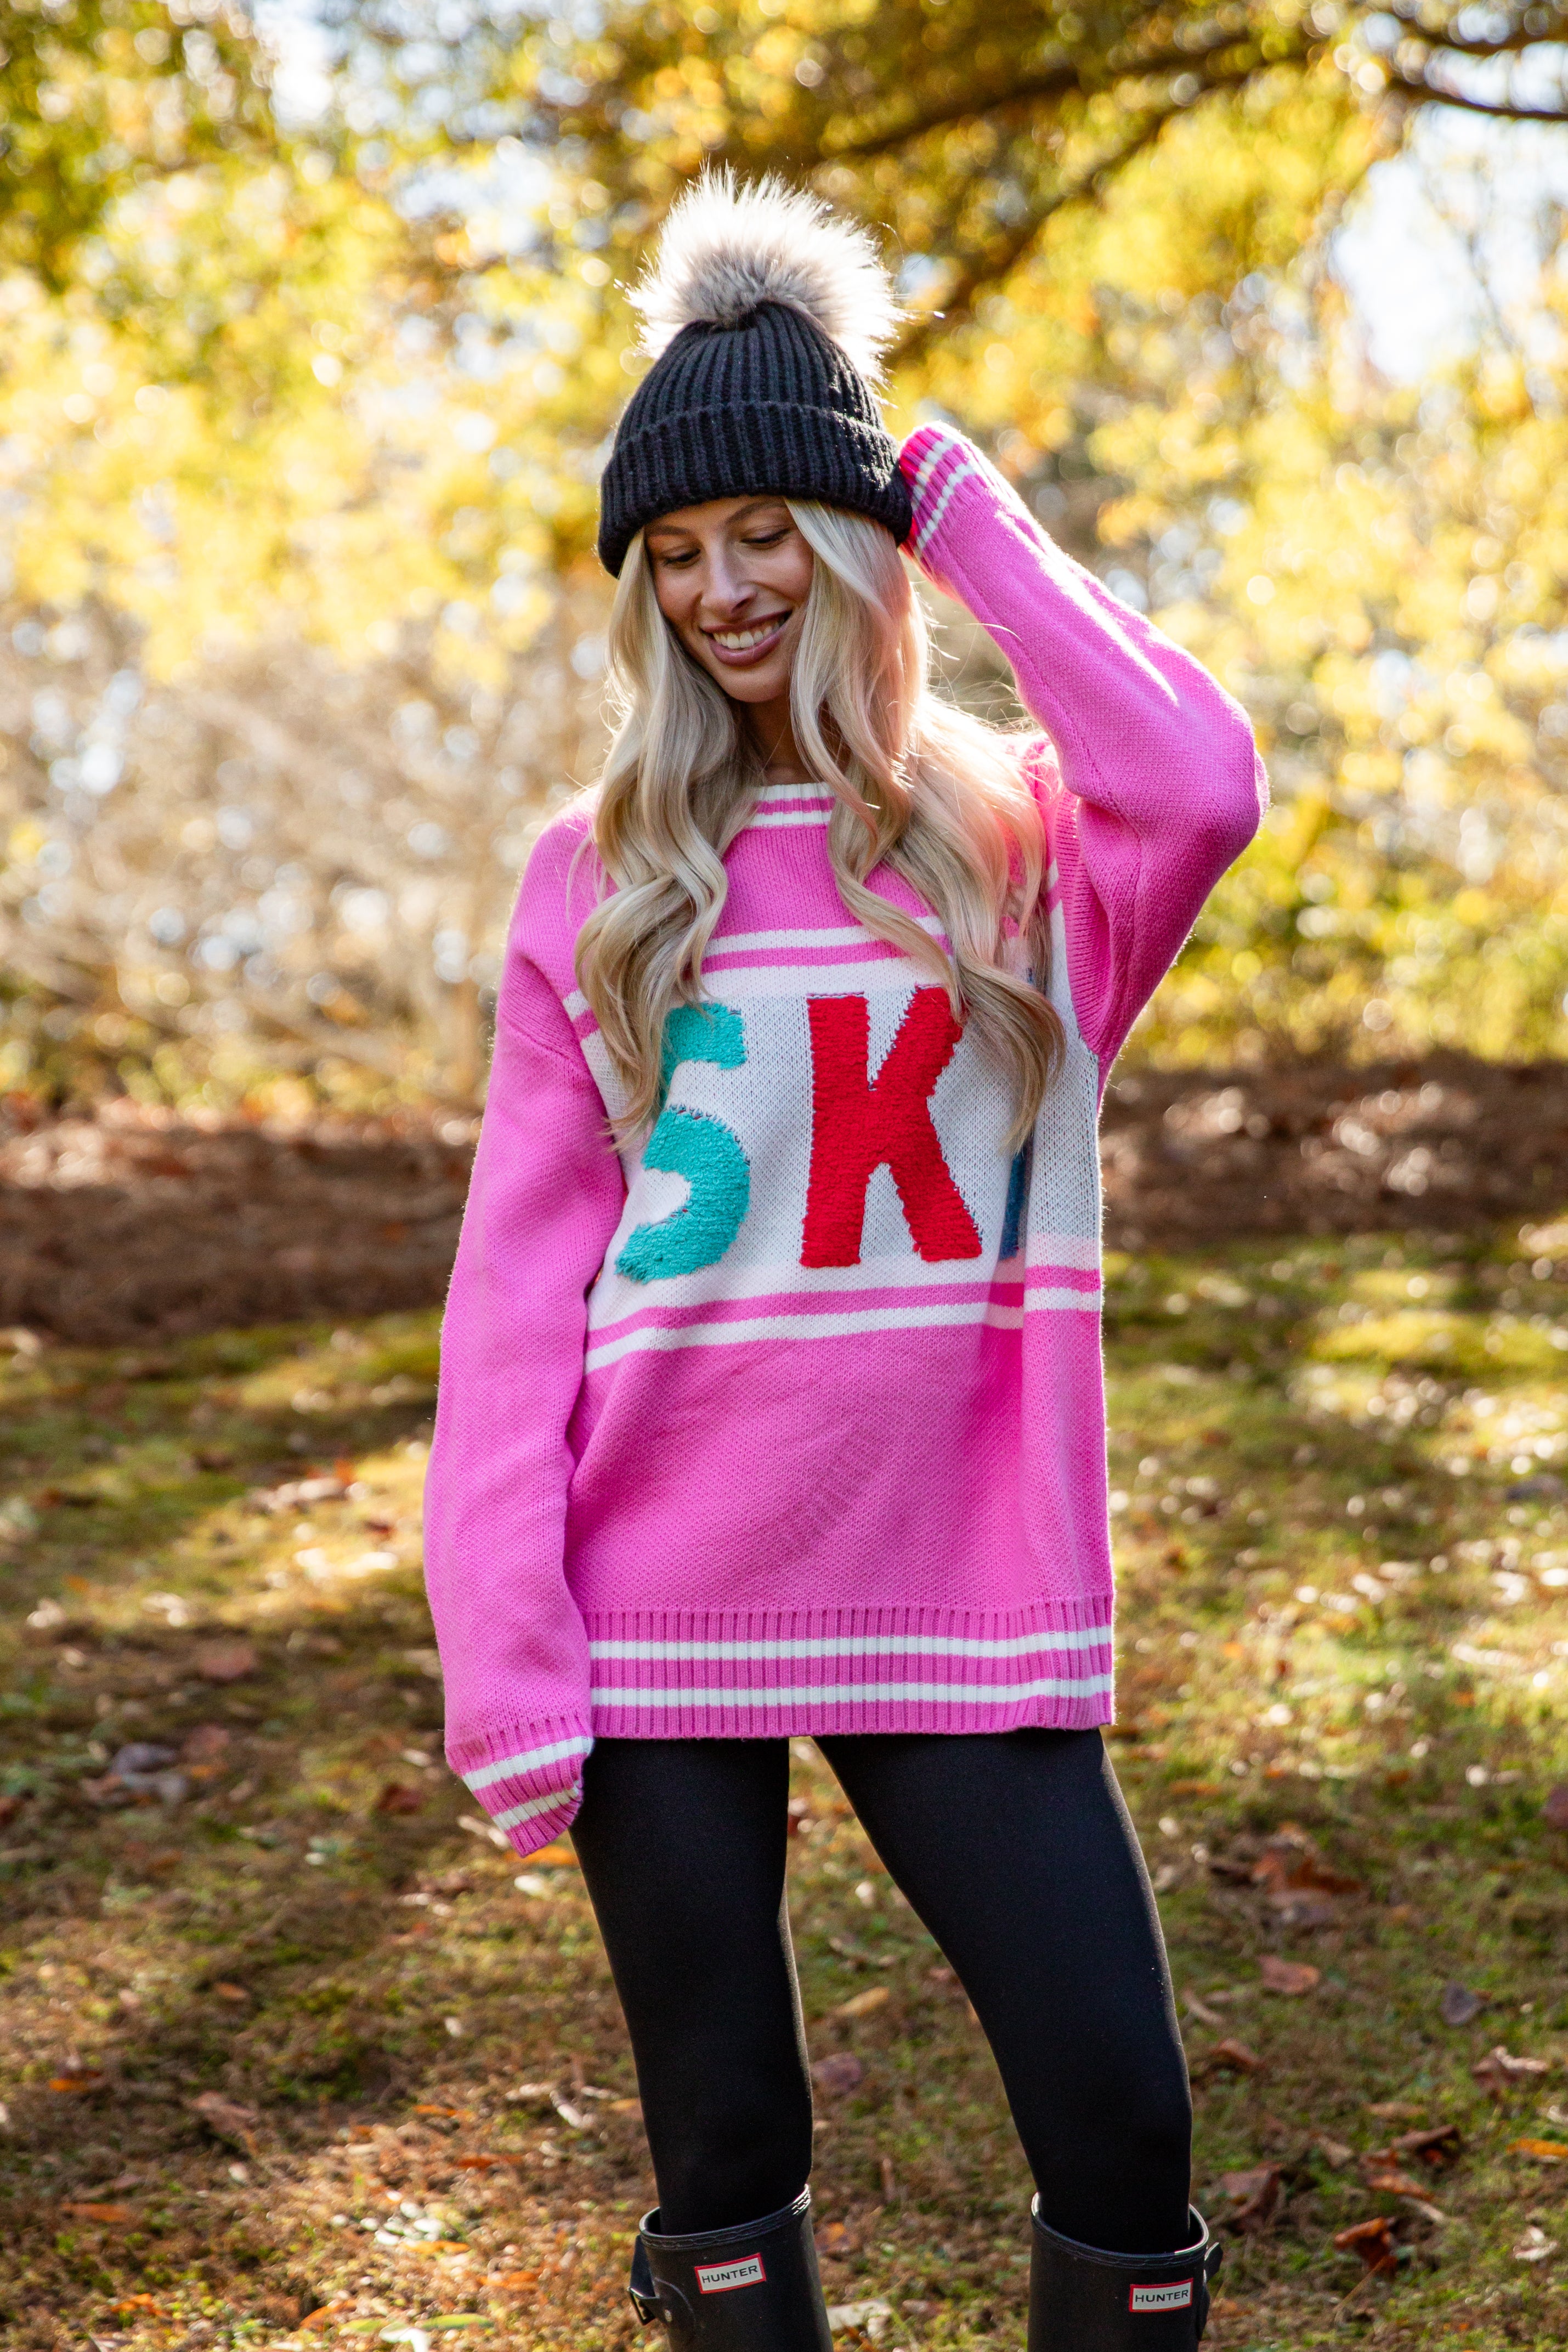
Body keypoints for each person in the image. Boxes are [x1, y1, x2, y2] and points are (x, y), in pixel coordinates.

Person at [424, 172, 1265, 2351]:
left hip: (952, 1579)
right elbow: (518, 1309)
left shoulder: (1023, 859)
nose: (714, 589)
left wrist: (948, 501)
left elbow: (1204, 776)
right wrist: (504, 1642)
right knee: (722, 2148)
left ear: (850, 536)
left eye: (759, 533)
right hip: (654, 1609)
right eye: (674, 555)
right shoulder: (594, 884)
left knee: (1120, 2124)